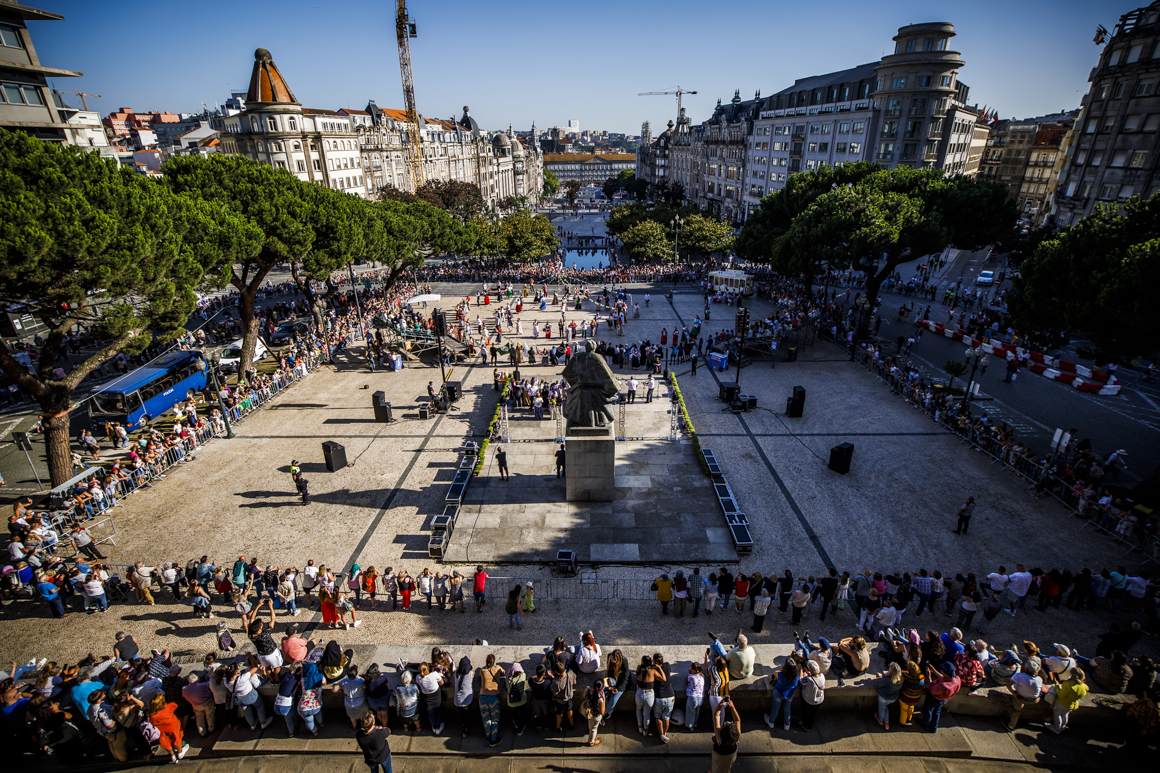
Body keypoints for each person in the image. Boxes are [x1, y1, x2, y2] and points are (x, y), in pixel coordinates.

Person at [148, 693, 188, 763]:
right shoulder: (168, 707)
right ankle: (180, 752)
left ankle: (172, 756)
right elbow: (175, 705)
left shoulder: (151, 714)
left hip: (161, 730)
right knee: (176, 739)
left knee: (165, 742)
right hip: (173, 727)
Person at [476, 654, 504, 746]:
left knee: (486, 718)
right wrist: (495, 666)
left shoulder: (483, 670)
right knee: (495, 718)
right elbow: (503, 672)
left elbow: (480, 675)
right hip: (494, 696)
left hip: (483, 696)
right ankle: (493, 738)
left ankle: (488, 736)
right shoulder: (497, 668)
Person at [764, 659, 799, 731]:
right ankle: (787, 724)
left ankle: (771, 722)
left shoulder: (780, 675)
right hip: (789, 693)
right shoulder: (796, 677)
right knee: (787, 708)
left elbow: (775, 673)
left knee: (775, 708)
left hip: (779, 692)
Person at [1051, 668, 1088, 734]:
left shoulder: (1068, 685)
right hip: (1072, 705)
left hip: (1062, 704)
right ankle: (1063, 727)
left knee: (1057, 714)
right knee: (1065, 715)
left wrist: (1056, 686)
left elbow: (1061, 695)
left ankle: (1057, 728)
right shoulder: (1084, 686)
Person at [711, 697, 741, 773]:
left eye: (725, 724)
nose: (727, 722)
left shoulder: (719, 740)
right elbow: (737, 720)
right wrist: (733, 708)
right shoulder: (736, 739)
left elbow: (716, 716)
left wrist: (720, 704)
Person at [873, 662, 903, 730]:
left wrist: (880, 677)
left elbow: (879, 683)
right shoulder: (900, 679)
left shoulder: (887, 678)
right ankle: (886, 723)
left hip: (883, 696)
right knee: (885, 707)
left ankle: (880, 720)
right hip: (893, 698)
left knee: (881, 708)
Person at [581, 682, 605, 746]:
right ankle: (591, 742)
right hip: (595, 716)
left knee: (590, 724)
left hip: (588, 712)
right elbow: (602, 712)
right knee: (593, 729)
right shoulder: (600, 699)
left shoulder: (588, 689)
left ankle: (589, 731)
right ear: (601, 689)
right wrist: (604, 698)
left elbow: (584, 696)